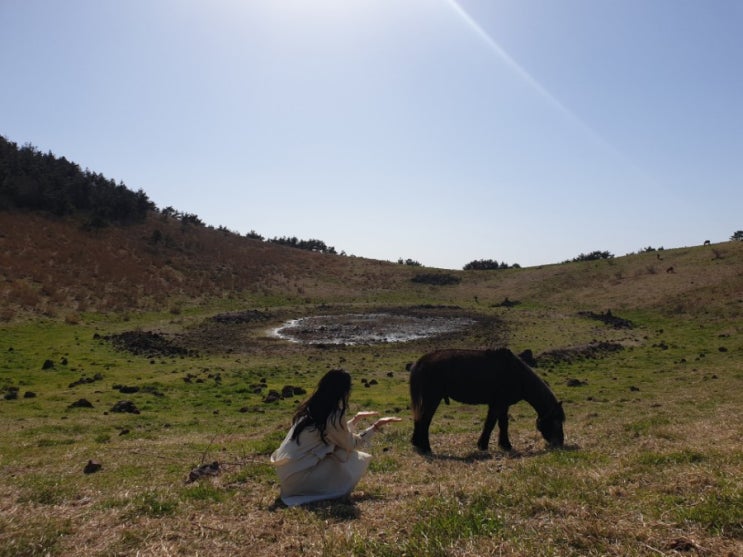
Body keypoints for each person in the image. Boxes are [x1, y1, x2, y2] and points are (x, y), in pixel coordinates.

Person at [270, 368, 401, 506]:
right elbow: (350, 443)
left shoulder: (311, 407)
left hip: (287, 473)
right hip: (298, 479)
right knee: (348, 454)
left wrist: (356, 420)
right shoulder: (333, 415)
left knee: (336, 446)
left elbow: (335, 433)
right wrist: (376, 426)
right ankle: (330, 490)